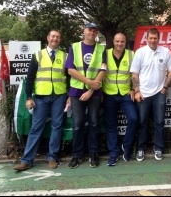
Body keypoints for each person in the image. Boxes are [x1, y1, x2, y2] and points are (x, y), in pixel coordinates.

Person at [14, 29, 69, 171]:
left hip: (59, 96)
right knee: (36, 127)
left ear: (60, 40)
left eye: (57, 37)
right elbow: (30, 78)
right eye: (53, 36)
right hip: (41, 97)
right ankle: (27, 160)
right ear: (48, 38)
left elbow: (69, 79)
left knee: (57, 126)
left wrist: (69, 96)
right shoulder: (38, 55)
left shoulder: (65, 56)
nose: (55, 39)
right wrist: (28, 97)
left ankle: (52, 158)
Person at [130, 27, 171, 161]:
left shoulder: (165, 52)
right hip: (143, 93)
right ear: (146, 39)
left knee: (160, 122)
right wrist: (137, 90)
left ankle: (159, 148)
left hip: (159, 93)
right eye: (150, 38)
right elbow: (134, 73)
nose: (153, 40)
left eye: (155, 38)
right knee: (142, 122)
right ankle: (141, 148)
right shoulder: (140, 52)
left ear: (159, 39)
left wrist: (165, 88)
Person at [65, 22, 107, 169]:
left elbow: (103, 69)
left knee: (94, 123)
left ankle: (93, 154)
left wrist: (91, 89)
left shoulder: (101, 48)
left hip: (94, 92)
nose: (92, 32)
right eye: (89, 30)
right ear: (84, 31)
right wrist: (89, 82)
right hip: (76, 92)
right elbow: (70, 70)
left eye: (95, 30)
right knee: (77, 124)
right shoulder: (74, 47)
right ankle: (77, 155)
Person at [102, 33, 138, 166]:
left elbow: (134, 74)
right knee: (111, 125)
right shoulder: (105, 53)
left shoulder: (131, 54)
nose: (119, 44)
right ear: (113, 41)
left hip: (125, 94)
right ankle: (113, 153)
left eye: (122, 41)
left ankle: (126, 147)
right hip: (109, 93)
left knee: (134, 119)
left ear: (125, 42)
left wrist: (134, 89)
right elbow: (100, 72)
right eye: (117, 41)